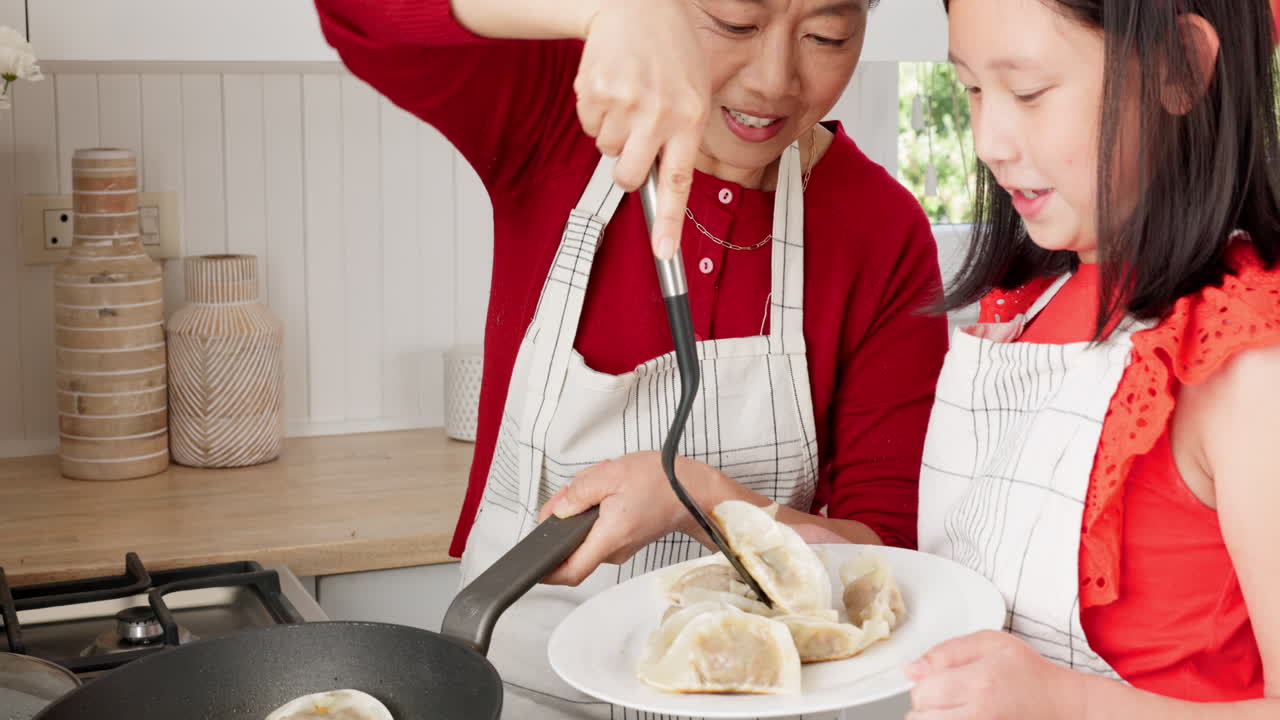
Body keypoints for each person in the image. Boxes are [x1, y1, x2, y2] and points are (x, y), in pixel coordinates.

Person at [313, 0, 947, 717]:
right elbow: (354, 13)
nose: (774, 81)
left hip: (741, 699)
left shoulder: (880, 231)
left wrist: (698, 496)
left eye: (826, 37)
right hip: (514, 688)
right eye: (735, 22)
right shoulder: (562, 112)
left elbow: (884, 554)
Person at [906, 1, 1280, 717]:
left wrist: (1065, 704)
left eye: (1028, 92)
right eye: (972, 91)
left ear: (1177, 68)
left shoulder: (1249, 367)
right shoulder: (1028, 308)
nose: (987, 139)